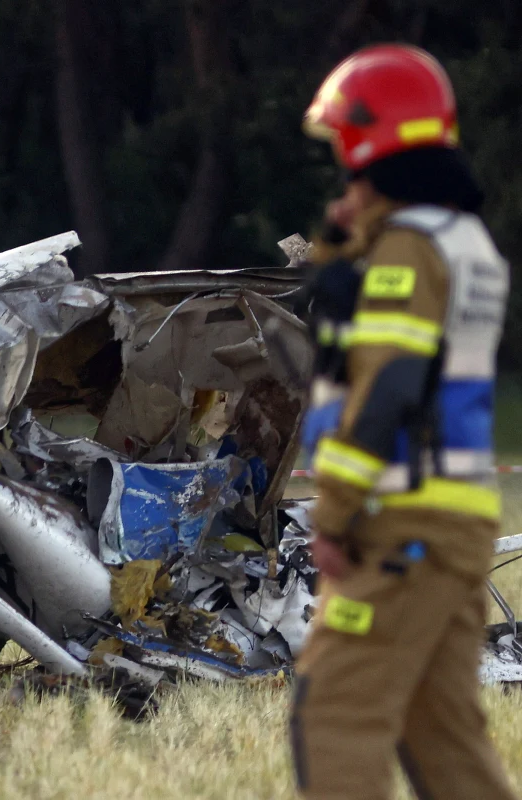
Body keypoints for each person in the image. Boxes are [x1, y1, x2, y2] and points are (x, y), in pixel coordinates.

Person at [291, 44, 517, 799]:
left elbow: (388, 385)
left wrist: (334, 512)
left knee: (333, 712)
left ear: (366, 140)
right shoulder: (463, 240)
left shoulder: (410, 247)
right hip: (454, 520)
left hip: (400, 520)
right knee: (441, 734)